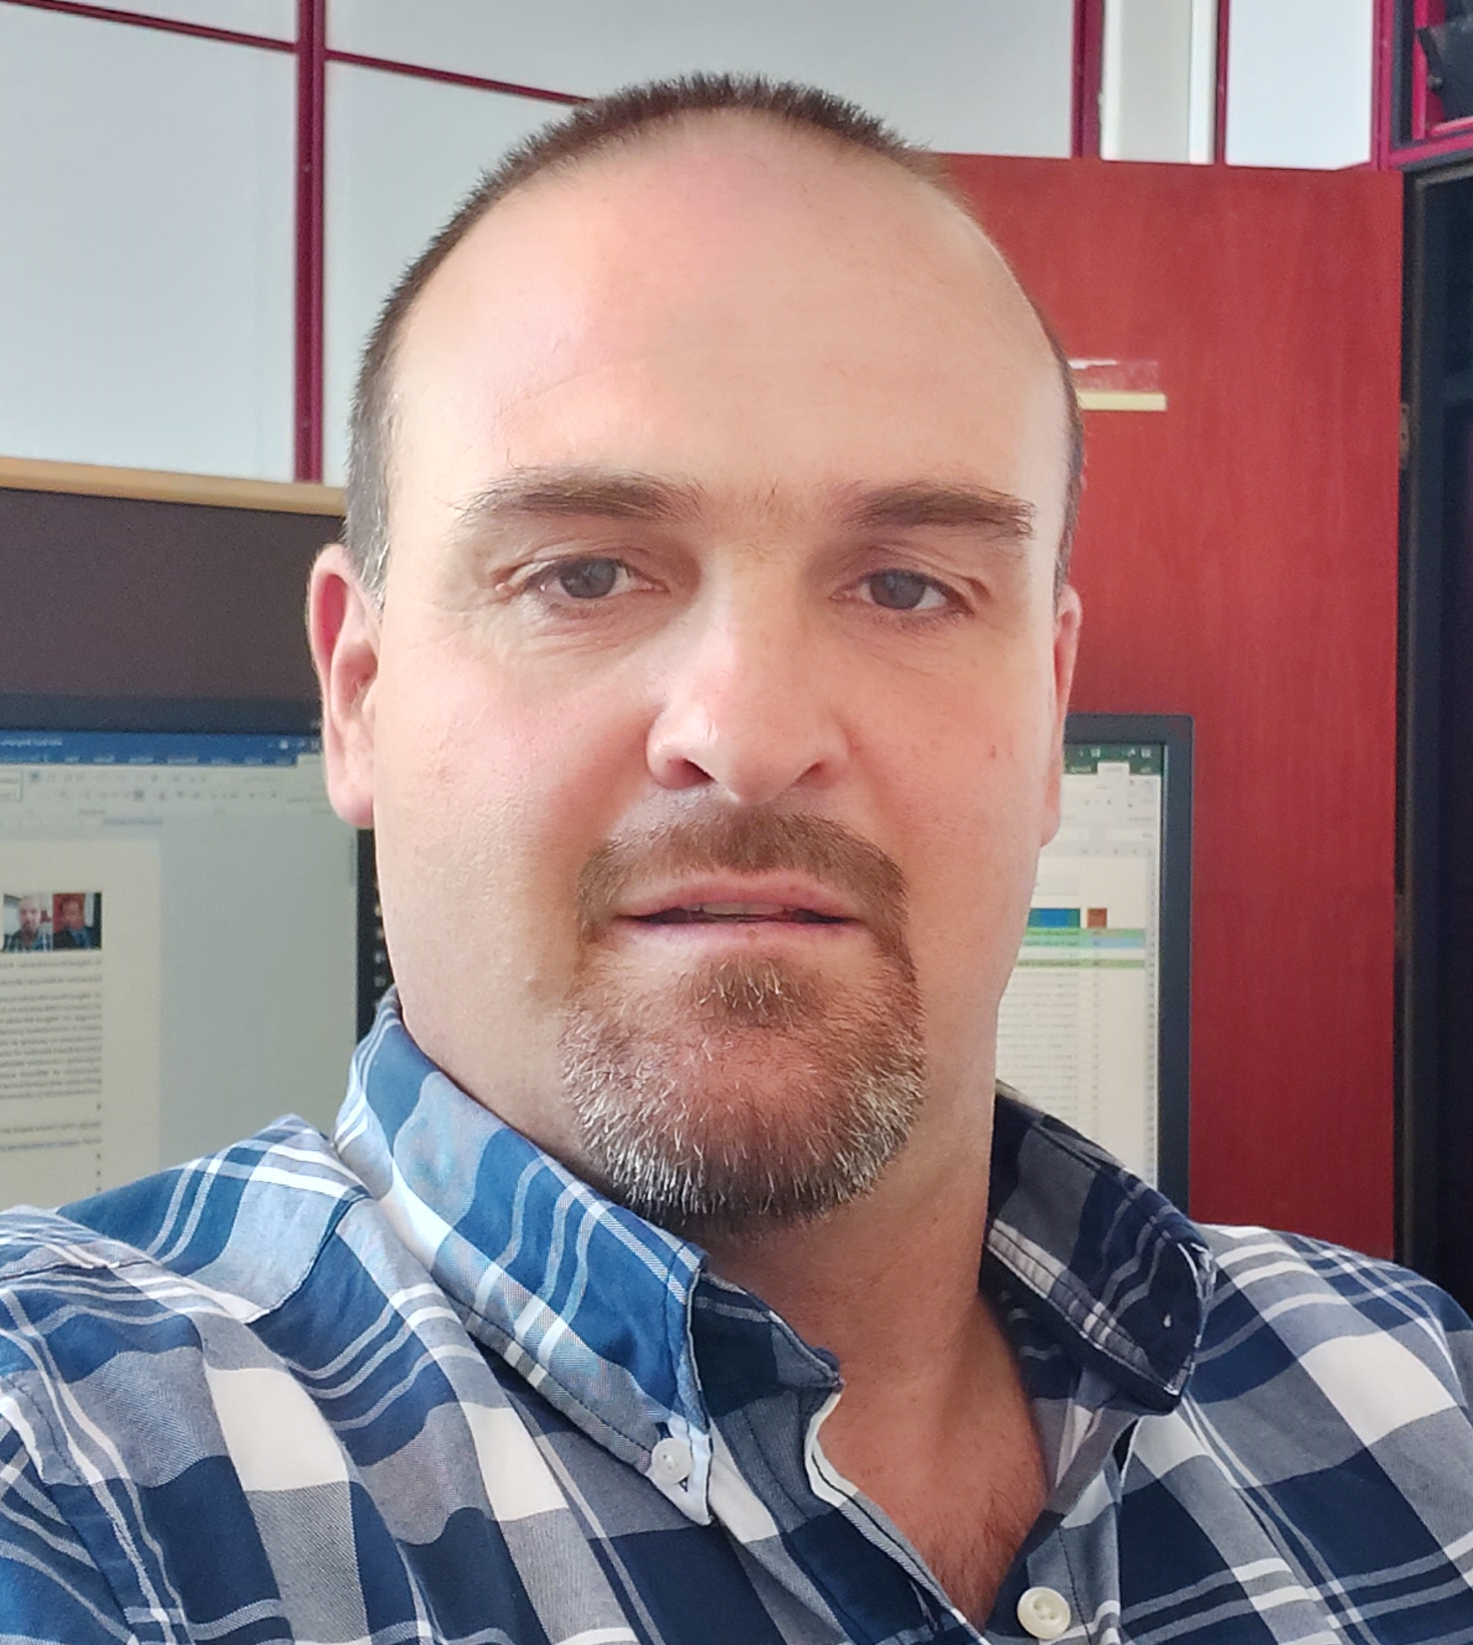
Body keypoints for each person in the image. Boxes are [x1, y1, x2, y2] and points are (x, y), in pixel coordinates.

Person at [0, 76, 1469, 1645]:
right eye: (584, 574)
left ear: (1050, 713)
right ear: (359, 694)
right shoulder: (74, 1467)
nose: (752, 734)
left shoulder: (1406, 1399)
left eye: (906, 588)